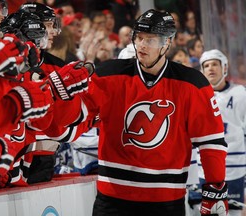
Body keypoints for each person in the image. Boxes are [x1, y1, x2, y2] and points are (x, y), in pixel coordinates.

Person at [49, 9, 228, 216]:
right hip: (113, 199)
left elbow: (211, 142)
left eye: (149, 40)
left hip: (166, 202)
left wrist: (215, 189)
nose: (141, 45)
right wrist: (61, 94)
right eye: (139, 38)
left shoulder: (192, 84)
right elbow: (68, 123)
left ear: (167, 42)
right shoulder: (108, 75)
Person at [198, 49, 246, 216]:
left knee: (233, 212)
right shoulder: (197, 97)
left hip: (236, 168)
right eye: (206, 65)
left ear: (224, 67)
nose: (211, 68)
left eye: (215, 64)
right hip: (204, 169)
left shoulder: (240, 93)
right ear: (201, 71)